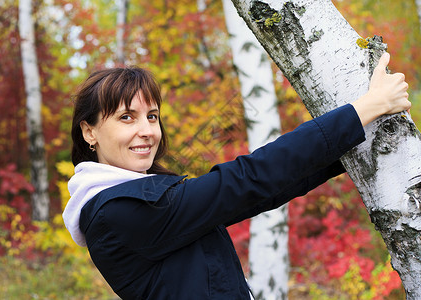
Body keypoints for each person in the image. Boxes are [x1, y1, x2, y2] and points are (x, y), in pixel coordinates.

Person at [62, 52, 410, 299]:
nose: (147, 130)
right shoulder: (116, 213)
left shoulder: (140, 197)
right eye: (127, 117)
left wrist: (354, 140)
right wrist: (364, 109)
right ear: (89, 132)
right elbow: (246, 180)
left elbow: (262, 191)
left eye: (152, 116)